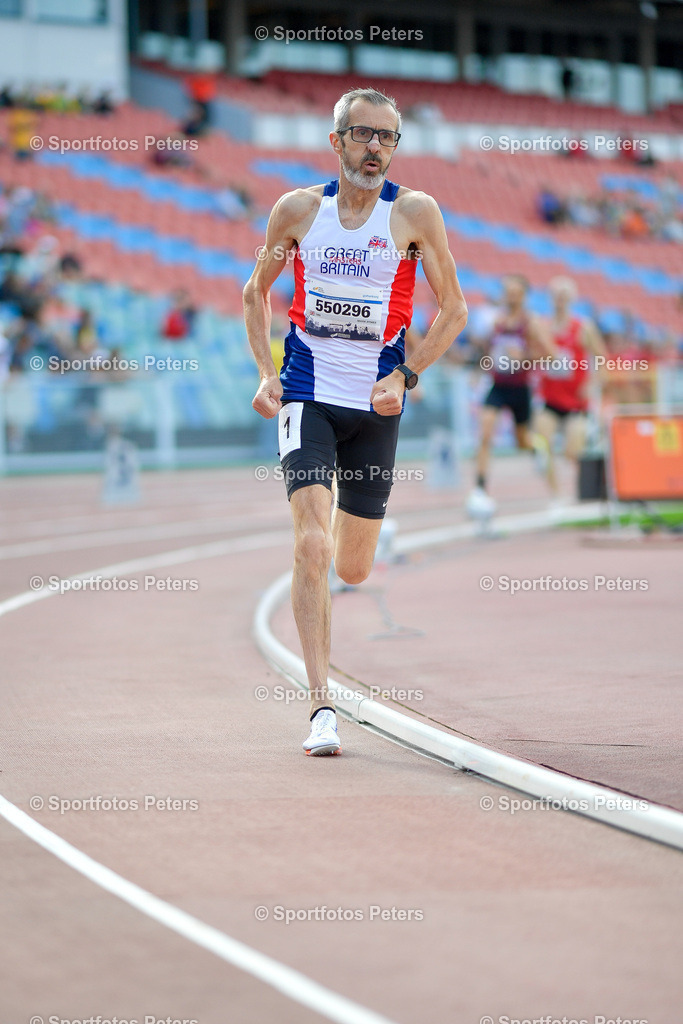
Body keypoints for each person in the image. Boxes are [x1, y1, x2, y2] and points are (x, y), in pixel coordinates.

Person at [243, 87, 467, 756]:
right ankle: (321, 707)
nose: (375, 149)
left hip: (375, 405)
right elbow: (256, 291)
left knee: (354, 566)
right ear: (335, 140)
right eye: (363, 135)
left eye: (387, 138)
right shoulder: (297, 211)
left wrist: (407, 373)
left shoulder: (414, 214)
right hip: (307, 392)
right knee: (309, 547)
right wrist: (265, 371)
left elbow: (453, 310)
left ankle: (353, 523)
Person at [467, 274, 554, 516]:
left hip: (520, 388)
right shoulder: (496, 321)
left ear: (524, 296)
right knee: (485, 433)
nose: (511, 297)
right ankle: (480, 488)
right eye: (508, 292)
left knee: (521, 442)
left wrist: (524, 358)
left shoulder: (531, 323)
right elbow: (489, 351)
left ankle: (536, 448)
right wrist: (478, 369)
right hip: (498, 385)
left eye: (516, 293)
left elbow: (551, 355)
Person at [535, 277, 606, 501]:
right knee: (541, 445)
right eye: (556, 295)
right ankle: (556, 495)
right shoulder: (543, 328)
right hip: (550, 400)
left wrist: (593, 383)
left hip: (576, 402)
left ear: (571, 299)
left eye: (564, 296)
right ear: (550, 298)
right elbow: (533, 357)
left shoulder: (583, 328)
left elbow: (602, 358)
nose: (559, 300)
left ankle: (585, 492)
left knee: (572, 453)